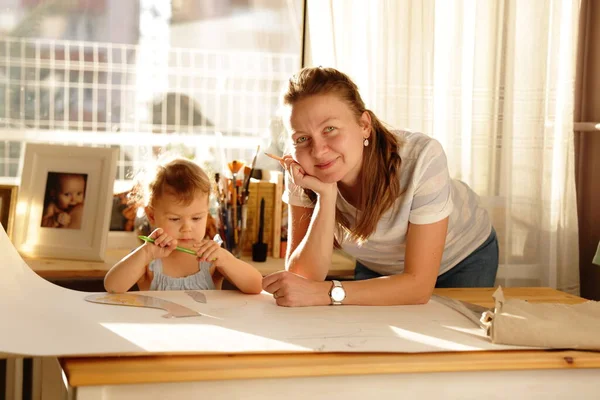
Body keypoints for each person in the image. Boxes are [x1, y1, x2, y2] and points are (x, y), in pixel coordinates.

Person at [262, 67, 498, 307]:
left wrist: (325, 293)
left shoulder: (422, 157)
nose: (318, 150)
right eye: (302, 138)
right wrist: (326, 196)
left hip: (461, 257)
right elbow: (302, 279)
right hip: (379, 266)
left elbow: (418, 287)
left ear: (365, 124)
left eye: (330, 129)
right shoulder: (302, 167)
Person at [104, 157, 263, 294]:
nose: (187, 228)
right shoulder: (147, 260)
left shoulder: (212, 258)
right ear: (152, 215)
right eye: (174, 219)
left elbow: (256, 286)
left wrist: (226, 259)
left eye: (196, 218)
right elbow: (112, 288)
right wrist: (146, 252)